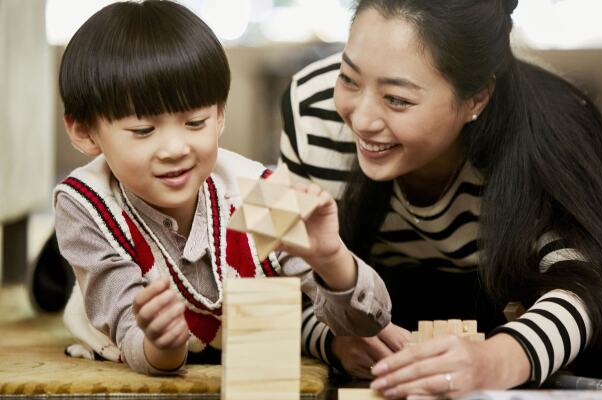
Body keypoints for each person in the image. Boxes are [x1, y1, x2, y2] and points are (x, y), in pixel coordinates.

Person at [280, 0, 602, 397]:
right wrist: (333, 337)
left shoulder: (546, 140)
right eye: (348, 79)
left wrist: (496, 360)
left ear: (476, 99)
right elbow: (278, 281)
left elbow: (585, 290)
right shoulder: (314, 114)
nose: (361, 119)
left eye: (397, 99)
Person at [54, 0, 392, 375]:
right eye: (144, 131)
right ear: (84, 132)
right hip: (125, 347)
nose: (175, 149)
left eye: (195, 122)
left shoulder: (255, 192)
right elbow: (130, 330)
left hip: (246, 335)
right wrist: (161, 345)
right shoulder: (88, 204)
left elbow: (363, 322)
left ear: (219, 115)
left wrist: (332, 259)